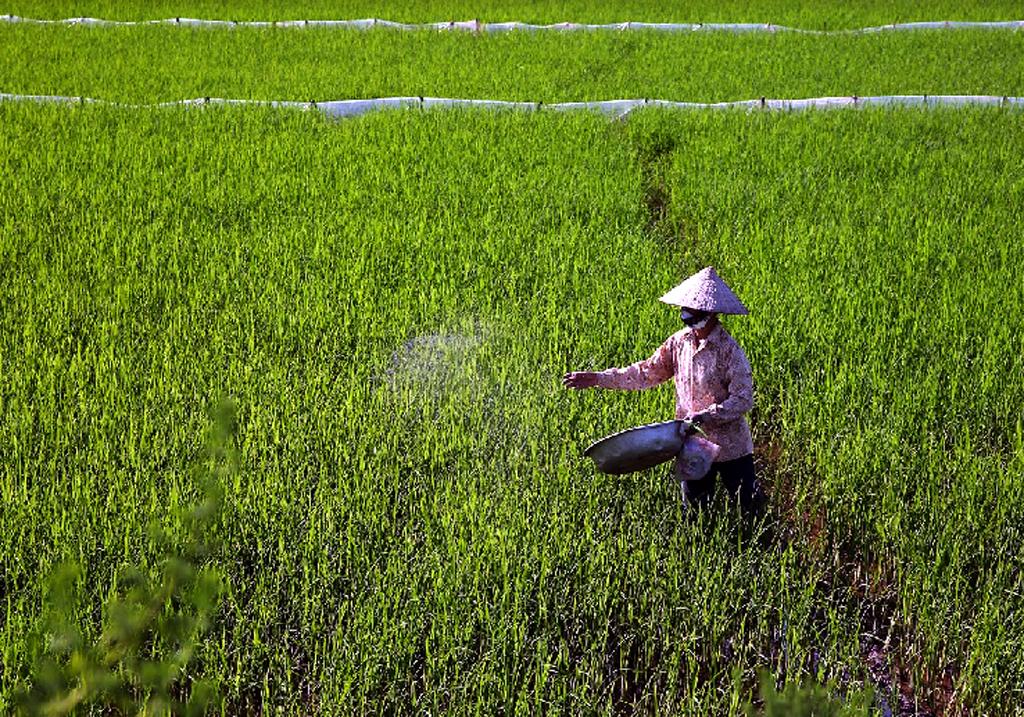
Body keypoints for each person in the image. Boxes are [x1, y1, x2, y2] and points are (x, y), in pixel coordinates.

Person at [563, 266, 764, 514]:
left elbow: (743, 399)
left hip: (732, 446)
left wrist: (706, 416)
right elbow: (645, 373)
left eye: (695, 311)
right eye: (686, 310)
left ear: (711, 313)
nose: (687, 316)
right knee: (695, 513)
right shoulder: (678, 343)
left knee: (749, 507)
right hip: (693, 444)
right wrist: (597, 378)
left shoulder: (730, 352)